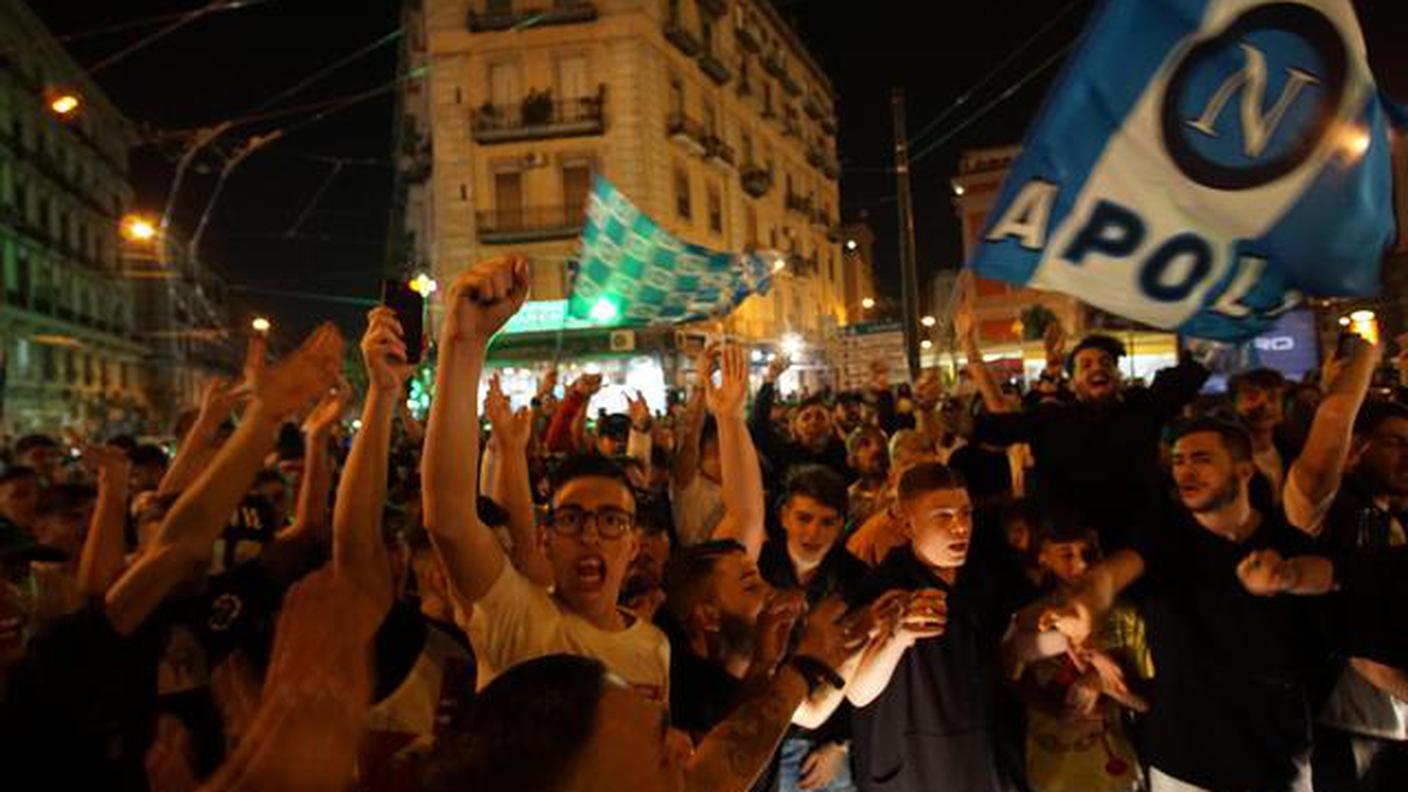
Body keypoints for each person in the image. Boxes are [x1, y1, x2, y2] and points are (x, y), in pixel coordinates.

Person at [422, 255, 671, 699]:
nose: (591, 536)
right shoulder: (517, 620)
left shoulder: (654, 648)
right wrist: (464, 344)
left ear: (634, 544)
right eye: (572, 519)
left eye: (611, 520)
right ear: (544, 539)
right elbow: (450, 520)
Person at [1041, 418, 1335, 792]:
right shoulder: (1161, 539)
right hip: (1185, 765)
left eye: (1200, 459)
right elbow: (1110, 576)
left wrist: (1287, 580)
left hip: (1276, 759)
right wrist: (1084, 608)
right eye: (1178, 461)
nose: (1185, 471)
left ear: (1244, 470)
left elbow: (1326, 613)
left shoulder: (1287, 546)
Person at [844, 462, 1027, 792]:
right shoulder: (880, 590)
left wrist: (1063, 633)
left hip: (983, 755)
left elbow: (1007, 648)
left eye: (966, 514)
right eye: (943, 516)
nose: (960, 527)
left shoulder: (982, 578)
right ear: (905, 523)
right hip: (916, 765)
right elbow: (857, 692)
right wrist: (897, 639)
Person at [1278, 338, 1408, 791]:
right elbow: (1328, 438)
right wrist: (1367, 357)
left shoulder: (1395, 517)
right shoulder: (1324, 513)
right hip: (1350, 729)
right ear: (1357, 450)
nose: (1406, 455)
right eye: (1393, 443)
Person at [970, 331, 1209, 550]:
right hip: (1072, 552)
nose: (1097, 368)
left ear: (1117, 375)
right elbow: (990, 428)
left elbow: (1193, 371)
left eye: (1106, 363)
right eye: (1086, 365)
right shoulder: (1050, 420)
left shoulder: (1143, 408)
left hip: (1143, 550)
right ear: (1073, 382)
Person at [1005, 516, 1151, 792]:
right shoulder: (1028, 618)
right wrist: (1055, 708)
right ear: (1044, 557)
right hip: (1053, 769)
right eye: (1066, 554)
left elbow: (1145, 701)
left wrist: (1102, 682)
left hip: (1114, 769)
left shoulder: (1125, 616)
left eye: (1089, 553)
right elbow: (1011, 676)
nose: (1081, 563)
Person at [750, 356, 850, 483]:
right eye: (806, 417)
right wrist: (769, 381)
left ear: (831, 425)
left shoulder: (843, 454)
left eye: (820, 416)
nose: (813, 421)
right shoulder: (785, 453)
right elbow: (758, 426)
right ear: (795, 426)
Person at [1228, 368, 1295, 505]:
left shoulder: (1294, 450)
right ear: (1234, 405)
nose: (1264, 405)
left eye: (1272, 398)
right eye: (1252, 397)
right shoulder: (1226, 457)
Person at [846, 426, 889, 527]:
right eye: (865, 444)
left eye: (882, 443)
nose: (876, 449)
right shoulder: (847, 500)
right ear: (851, 459)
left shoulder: (904, 489)